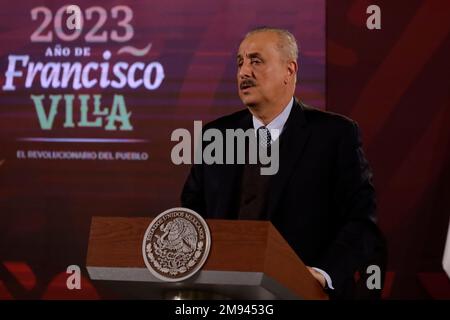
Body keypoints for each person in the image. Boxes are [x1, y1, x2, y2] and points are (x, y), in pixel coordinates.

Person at [181, 27, 386, 299]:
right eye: (240, 62)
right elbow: (192, 214)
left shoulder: (335, 135)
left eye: (256, 61)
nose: (243, 72)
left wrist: (323, 274)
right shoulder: (214, 136)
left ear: (290, 70)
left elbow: (361, 221)